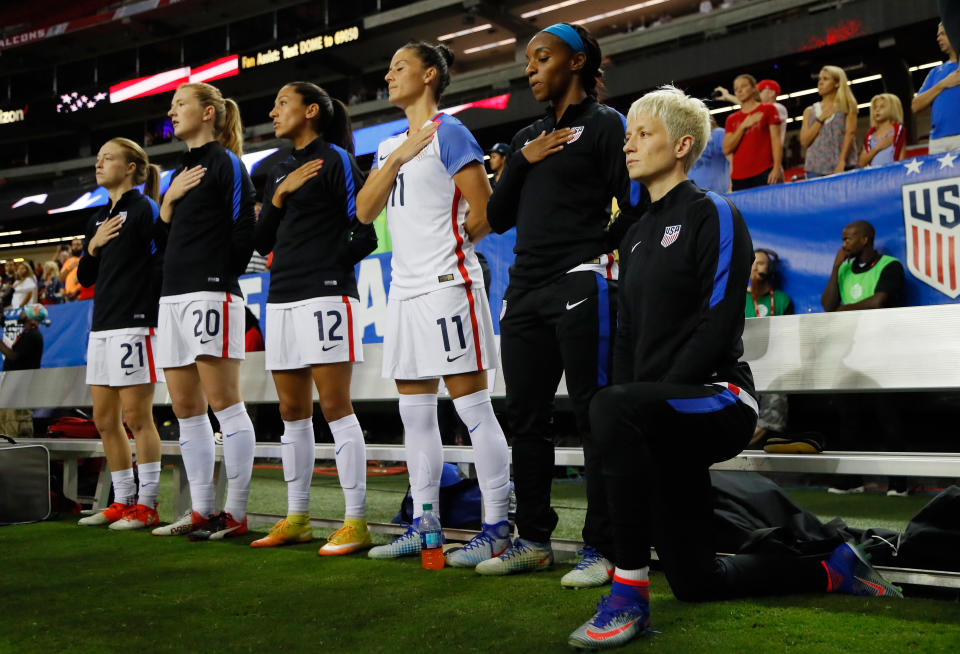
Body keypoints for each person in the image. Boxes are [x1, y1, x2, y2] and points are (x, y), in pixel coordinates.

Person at [567, 86, 901, 652]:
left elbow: (720, 325)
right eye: (629, 135)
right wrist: (632, 399)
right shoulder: (636, 233)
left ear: (683, 145)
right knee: (699, 581)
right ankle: (831, 568)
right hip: (655, 411)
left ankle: (627, 592)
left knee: (609, 405)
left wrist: (634, 401)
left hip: (717, 398)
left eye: (643, 133)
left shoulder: (713, 212)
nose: (630, 144)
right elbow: (625, 334)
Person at [480, 22, 645, 586]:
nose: (530, 68)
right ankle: (534, 540)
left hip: (580, 280)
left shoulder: (606, 125)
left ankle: (601, 546)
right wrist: (522, 159)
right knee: (525, 420)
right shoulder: (527, 136)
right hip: (523, 289)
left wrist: (600, 255)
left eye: (541, 57)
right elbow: (496, 218)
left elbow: (634, 205)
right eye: (528, 60)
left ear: (575, 63)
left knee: (595, 415)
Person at [355, 40, 512, 567]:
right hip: (403, 291)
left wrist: (456, 247)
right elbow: (363, 210)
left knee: (473, 409)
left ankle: (496, 527)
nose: (388, 75)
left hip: (448, 286)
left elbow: (487, 210)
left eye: (399, 67)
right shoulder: (387, 147)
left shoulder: (452, 132)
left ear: (428, 76)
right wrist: (398, 155)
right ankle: (425, 525)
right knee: (414, 413)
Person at [250, 81, 377, 555]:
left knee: (335, 406)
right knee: (290, 412)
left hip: (326, 296)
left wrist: (331, 267)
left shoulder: (338, 160)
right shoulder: (276, 170)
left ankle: (357, 522)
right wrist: (279, 196)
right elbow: (261, 242)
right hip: (281, 297)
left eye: (282, 103)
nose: (274, 110)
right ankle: (298, 517)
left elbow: (363, 230)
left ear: (311, 111)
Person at [149, 82, 257, 540]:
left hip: (211, 293)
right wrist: (169, 202)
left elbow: (243, 228)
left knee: (224, 404)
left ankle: (235, 513)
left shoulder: (226, 163)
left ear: (209, 113)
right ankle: (202, 510)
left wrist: (218, 277)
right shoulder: (178, 172)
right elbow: (159, 243)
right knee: (186, 409)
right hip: (172, 297)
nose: (172, 112)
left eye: (180, 104)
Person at [75, 137, 166, 530]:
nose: (100, 164)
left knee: (136, 416)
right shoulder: (96, 218)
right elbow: (83, 277)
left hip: (134, 322)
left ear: (131, 167)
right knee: (104, 418)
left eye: (108, 158)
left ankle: (146, 504)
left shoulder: (145, 208)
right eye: (98, 158)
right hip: (102, 327)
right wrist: (92, 247)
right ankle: (122, 500)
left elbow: (160, 261)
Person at [820, 220, 906, 495]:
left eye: (848, 239)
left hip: (884, 351)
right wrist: (835, 268)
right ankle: (852, 480)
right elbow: (826, 305)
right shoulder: (844, 268)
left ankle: (898, 483)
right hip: (851, 353)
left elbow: (878, 301)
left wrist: (842, 311)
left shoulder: (890, 265)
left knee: (888, 416)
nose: (843, 244)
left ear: (865, 239)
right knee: (848, 417)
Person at [722, 74, 783, 190]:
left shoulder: (768, 109)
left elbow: (776, 141)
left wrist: (776, 168)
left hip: (765, 172)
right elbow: (726, 149)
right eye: (736, 89)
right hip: (739, 177)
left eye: (743, 86)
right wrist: (743, 126)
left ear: (754, 88)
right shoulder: (731, 119)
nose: (739, 90)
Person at [800, 66, 858, 178]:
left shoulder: (848, 106)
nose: (820, 83)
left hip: (844, 166)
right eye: (819, 79)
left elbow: (850, 134)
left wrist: (841, 161)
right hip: (815, 169)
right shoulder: (809, 111)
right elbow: (805, 142)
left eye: (825, 79)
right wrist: (821, 118)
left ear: (837, 83)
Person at [911, 22, 960, 154]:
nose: (938, 38)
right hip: (937, 141)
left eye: (943, 34)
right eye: (938, 35)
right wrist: (943, 84)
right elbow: (915, 105)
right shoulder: (935, 72)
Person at [0, 304, 46, 437]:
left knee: (15, 420)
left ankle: (16, 451)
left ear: (31, 318)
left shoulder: (33, 336)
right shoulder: (28, 334)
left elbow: (14, 356)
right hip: (16, 383)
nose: (21, 314)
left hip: (20, 384)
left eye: (25, 312)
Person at [859, 94, 906, 167]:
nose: (877, 110)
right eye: (875, 107)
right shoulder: (870, 136)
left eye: (882, 107)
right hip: (874, 175)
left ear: (893, 108)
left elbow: (901, 158)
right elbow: (861, 163)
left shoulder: (898, 132)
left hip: (892, 174)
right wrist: (877, 148)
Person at [689, 115, 729, 193]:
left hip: (717, 191)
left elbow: (732, 159)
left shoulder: (719, 133)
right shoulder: (688, 140)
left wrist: (731, 186)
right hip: (693, 192)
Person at [757, 79, 788, 146]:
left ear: (772, 93)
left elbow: (750, 108)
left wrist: (729, 97)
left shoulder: (778, 107)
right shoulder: (763, 108)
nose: (758, 95)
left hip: (772, 151)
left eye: (760, 91)